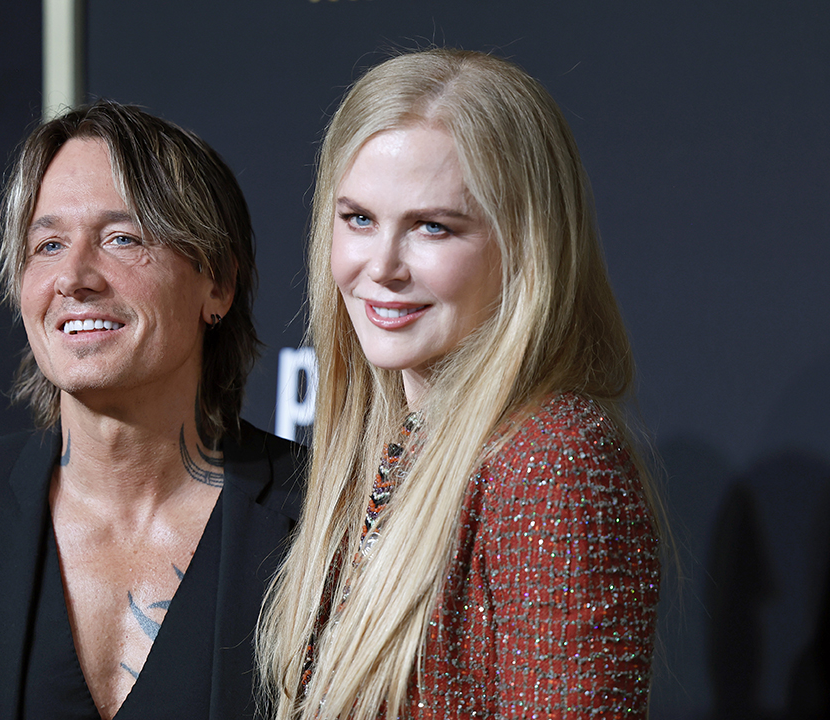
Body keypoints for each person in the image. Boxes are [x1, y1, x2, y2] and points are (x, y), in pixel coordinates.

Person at [0, 101, 303, 720]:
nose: (74, 277)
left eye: (121, 238)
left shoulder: (331, 517)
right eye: (47, 244)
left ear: (217, 283)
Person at [258, 49, 661, 719]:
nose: (381, 266)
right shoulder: (388, 449)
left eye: (431, 227)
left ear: (528, 245)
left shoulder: (551, 460)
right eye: (358, 218)